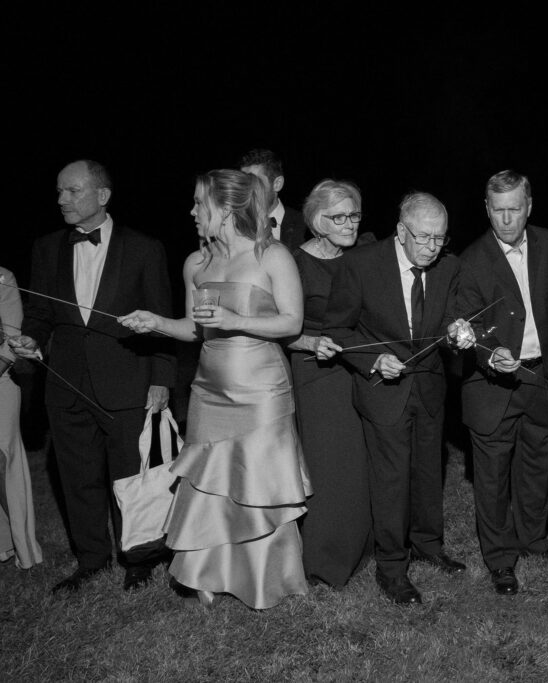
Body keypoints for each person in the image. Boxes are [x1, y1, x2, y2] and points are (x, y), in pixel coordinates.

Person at [119, 169, 311, 609]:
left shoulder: (272, 257)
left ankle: (267, 580)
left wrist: (236, 321)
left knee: (258, 486)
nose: (191, 211)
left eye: (198, 203)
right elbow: (195, 330)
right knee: (210, 488)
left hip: (262, 391)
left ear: (225, 210)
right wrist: (158, 323)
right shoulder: (196, 264)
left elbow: (291, 323)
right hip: (209, 390)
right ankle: (208, 577)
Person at [8, 160, 174, 592]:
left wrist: (162, 378)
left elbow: (161, 318)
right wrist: (30, 338)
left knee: (129, 475)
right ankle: (91, 559)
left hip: (126, 381)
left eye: (72, 191)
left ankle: (138, 557)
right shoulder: (46, 248)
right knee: (76, 477)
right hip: (65, 383)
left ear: (102, 195)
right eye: (59, 192)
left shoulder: (144, 248)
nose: (62, 199)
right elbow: (41, 313)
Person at [322, 192, 474, 605]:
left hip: (429, 388)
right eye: (423, 238)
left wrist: (457, 331)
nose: (432, 247)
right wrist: (374, 360)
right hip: (383, 390)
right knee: (391, 482)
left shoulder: (449, 265)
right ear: (401, 230)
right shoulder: (360, 264)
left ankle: (429, 545)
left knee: (428, 472)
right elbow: (338, 329)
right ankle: (392, 567)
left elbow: (446, 318)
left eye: (439, 239)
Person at [457, 170, 548, 595]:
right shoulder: (470, 260)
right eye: (498, 210)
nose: (506, 219)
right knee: (491, 475)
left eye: (515, 209)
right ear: (487, 209)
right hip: (493, 386)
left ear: (529, 206)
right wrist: (490, 355)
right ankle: (501, 559)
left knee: (536, 465)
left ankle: (533, 540)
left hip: (540, 376)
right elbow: (465, 326)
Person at [287, 179, 375, 589]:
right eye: (339, 217)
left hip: (366, 367)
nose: (350, 224)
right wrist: (310, 342)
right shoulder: (292, 262)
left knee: (363, 462)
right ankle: (324, 560)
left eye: (354, 215)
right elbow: (279, 327)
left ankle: (366, 545)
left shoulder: (367, 253)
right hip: (318, 373)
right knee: (330, 467)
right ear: (317, 221)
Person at [0, 267, 44, 569]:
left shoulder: (3, 277)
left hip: (1, 380)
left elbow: (12, 337)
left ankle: (23, 546)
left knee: (4, 463)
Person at [240, 148, 308, 251]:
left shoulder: (305, 226)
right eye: (243, 183)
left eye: (255, 182)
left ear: (277, 184)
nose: (246, 190)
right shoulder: (236, 224)